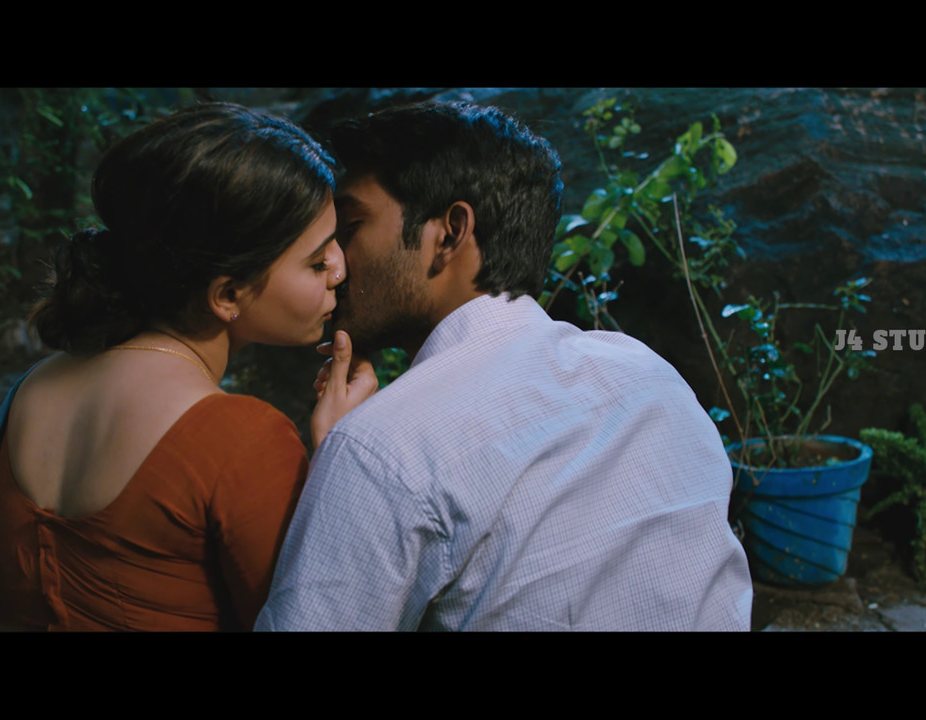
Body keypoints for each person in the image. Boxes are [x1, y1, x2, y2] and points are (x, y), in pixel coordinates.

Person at [255, 101, 753, 631]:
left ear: (450, 233)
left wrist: (348, 458)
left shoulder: (383, 448)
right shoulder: (650, 376)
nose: (332, 262)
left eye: (351, 226)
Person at [0, 102, 375, 631]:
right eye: (317, 260)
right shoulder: (243, 439)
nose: (339, 269)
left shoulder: (36, 387)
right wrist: (341, 458)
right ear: (227, 294)